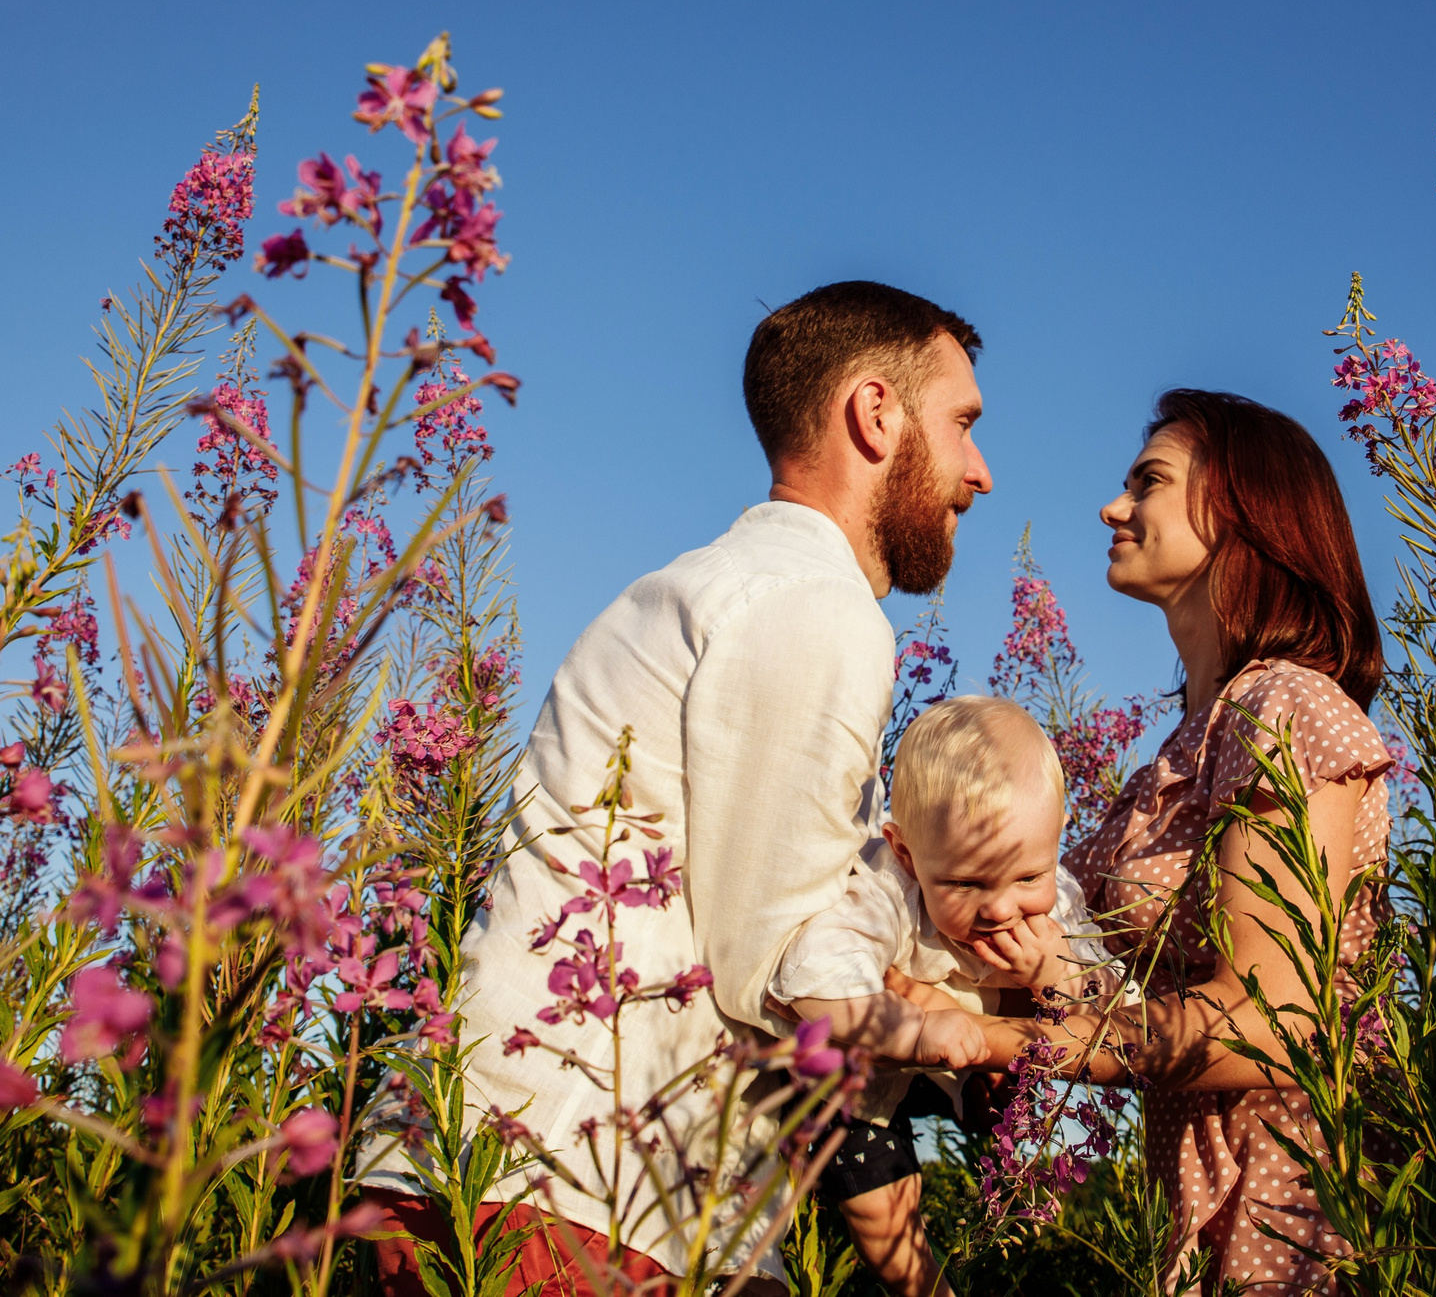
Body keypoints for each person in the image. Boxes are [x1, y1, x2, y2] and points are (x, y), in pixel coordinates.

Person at [360, 280, 992, 1297]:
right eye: (962, 423)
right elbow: (782, 970)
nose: (979, 471)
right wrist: (991, 1021)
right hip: (576, 1190)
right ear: (876, 414)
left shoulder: (705, 586)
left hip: (503, 1159)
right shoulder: (816, 608)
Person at [979, 388, 1393, 1297]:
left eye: (1148, 481)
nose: (1112, 507)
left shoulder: (1284, 704)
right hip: (1203, 1211)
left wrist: (983, 1039)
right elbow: (1093, 981)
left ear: (1245, 507)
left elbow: (1274, 1021)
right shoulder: (1187, 745)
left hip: (1290, 1212)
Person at [770, 695, 1115, 1297]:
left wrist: (1057, 973)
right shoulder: (889, 887)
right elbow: (812, 974)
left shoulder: (1057, 901)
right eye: (964, 883)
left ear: (1059, 835)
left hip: (967, 1051)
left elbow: (1117, 1003)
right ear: (906, 852)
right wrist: (913, 1031)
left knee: (1010, 1101)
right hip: (873, 1064)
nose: (1001, 907)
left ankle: (977, 1117)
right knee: (879, 1202)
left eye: (1027, 877)